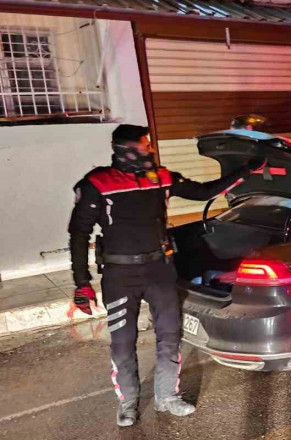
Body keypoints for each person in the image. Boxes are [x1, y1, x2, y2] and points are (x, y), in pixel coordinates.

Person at [68, 124, 266, 426]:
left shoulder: (160, 178)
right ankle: (129, 403)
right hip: (120, 275)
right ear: (127, 148)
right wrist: (82, 283)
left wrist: (244, 170)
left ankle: (167, 397)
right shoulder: (98, 183)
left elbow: (203, 192)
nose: (150, 148)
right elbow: (79, 234)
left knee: (170, 336)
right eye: (145, 144)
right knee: (123, 342)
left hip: (160, 270)